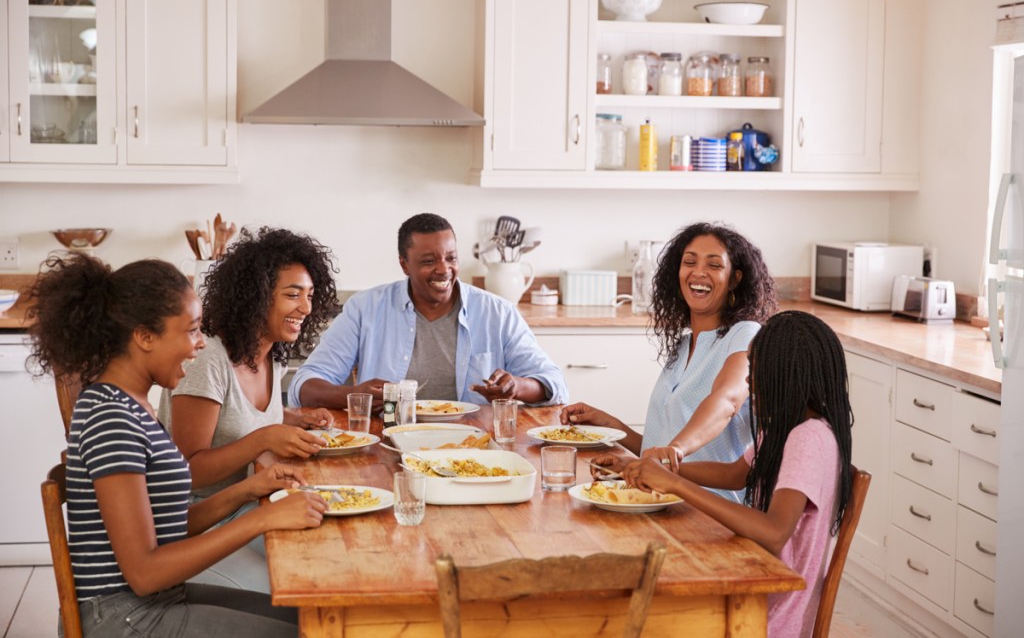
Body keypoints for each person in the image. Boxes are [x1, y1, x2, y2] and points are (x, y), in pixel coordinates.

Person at [27, 254, 326, 637]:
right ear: (144, 336)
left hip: (155, 603)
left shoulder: (134, 406)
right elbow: (145, 572)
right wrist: (262, 518)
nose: (200, 344)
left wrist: (248, 490)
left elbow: (167, 527)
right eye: (191, 331)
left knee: (311, 619)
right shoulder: (110, 418)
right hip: (124, 618)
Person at [617, 311, 855, 638]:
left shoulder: (808, 438)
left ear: (785, 375)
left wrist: (675, 483)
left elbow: (773, 532)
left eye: (755, 372)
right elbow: (734, 475)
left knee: (642, 615)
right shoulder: (785, 428)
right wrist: (662, 468)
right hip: (755, 588)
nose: (749, 382)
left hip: (768, 616)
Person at [561, 221, 776, 501]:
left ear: (735, 279)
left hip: (712, 512)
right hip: (664, 501)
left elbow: (727, 401)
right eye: (689, 262)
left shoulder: (745, 334)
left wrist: (674, 450)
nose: (698, 272)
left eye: (714, 265)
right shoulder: (683, 346)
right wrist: (610, 425)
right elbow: (659, 452)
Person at [289, 213, 568, 408]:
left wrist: (517, 387)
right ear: (404, 264)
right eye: (428, 261)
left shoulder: (498, 312)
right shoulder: (365, 308)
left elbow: (555, 384)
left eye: (451, 258)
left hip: (476, 445)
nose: (444, 269)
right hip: (389, 442)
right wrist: (352, 395)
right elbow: (303, 386)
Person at [158, 227, 339, 499]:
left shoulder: (271, 352)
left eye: (310, 295)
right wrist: (265, 438)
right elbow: (188, 471)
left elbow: (236, 417)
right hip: (201, 514)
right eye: (293, 295)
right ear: (257, 296)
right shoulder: (207, 358)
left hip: (254, 499)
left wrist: (296, 420)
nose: (307, 308)